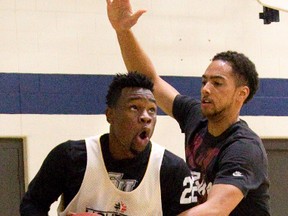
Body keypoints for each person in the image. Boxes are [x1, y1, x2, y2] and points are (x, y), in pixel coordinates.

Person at [106, 0, 270, 215]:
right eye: (204, 82)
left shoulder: (243, 148)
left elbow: (216, 209)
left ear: (241, 93)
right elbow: (151, 81)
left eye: (217, 83)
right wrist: (123, 31)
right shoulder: (196, 116)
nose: (206, 89)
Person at [20, 72, 196, 216]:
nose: (146, 117)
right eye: (134, 107)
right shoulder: (70, 156)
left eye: (152, 110)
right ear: (110, 115)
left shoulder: (171, 170)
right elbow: (32, 205)